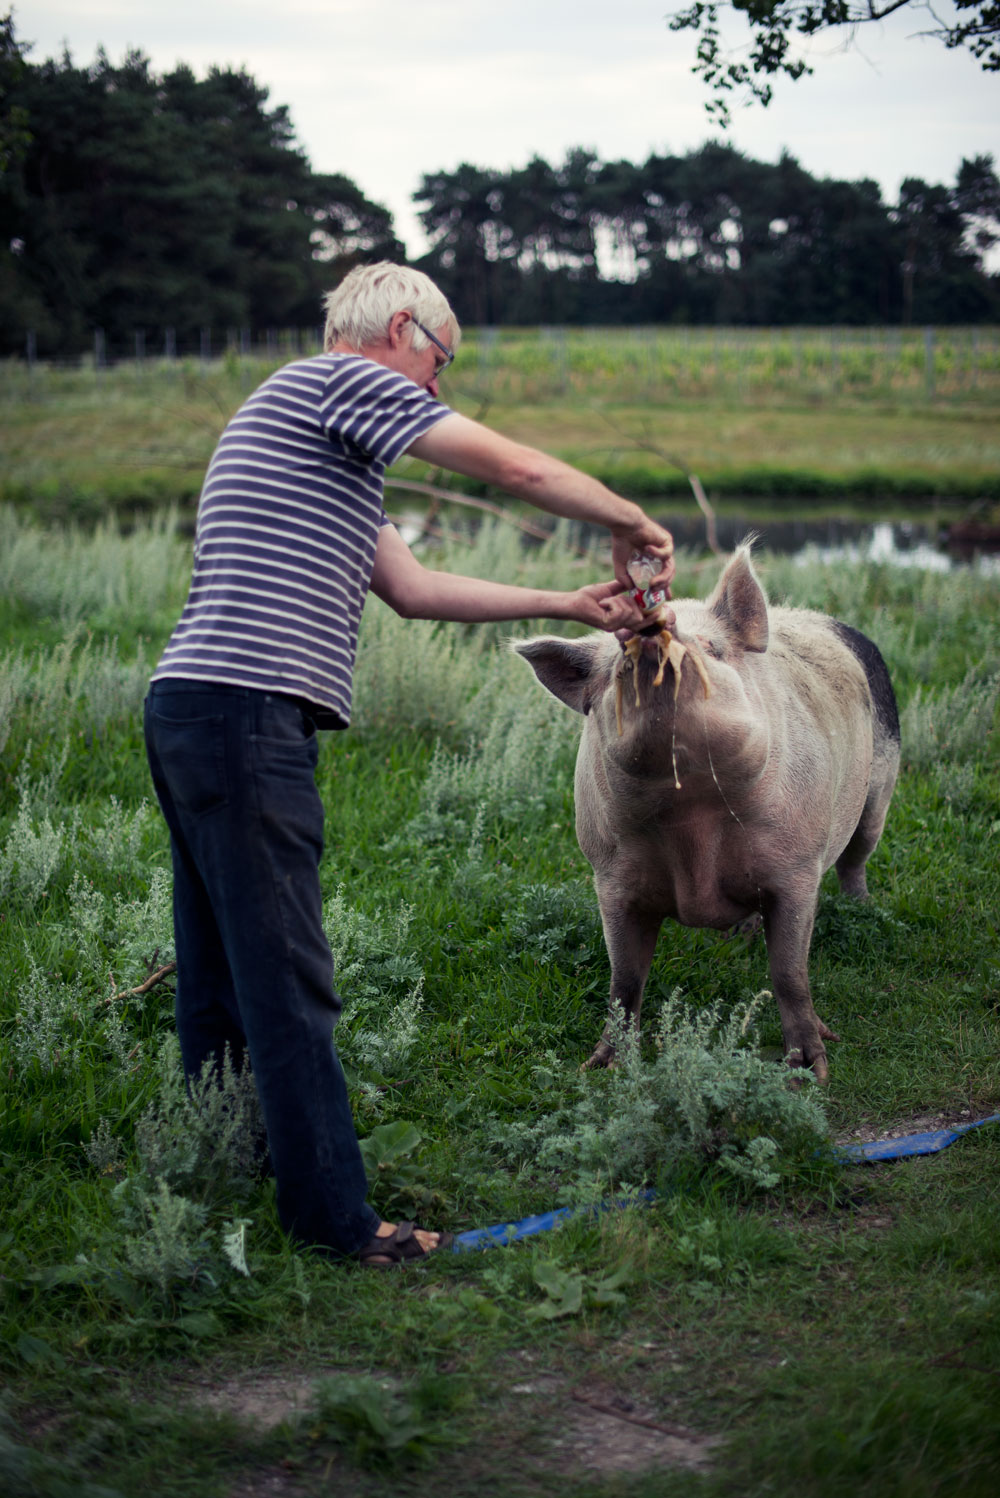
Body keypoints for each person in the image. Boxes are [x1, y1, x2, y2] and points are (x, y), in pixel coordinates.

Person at [143, 262, 675, 1266]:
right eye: (441, 362)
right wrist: (627, 521)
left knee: (218, 974)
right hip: (242, 714)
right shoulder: (338, 381)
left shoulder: (321, 433)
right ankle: (337, 1224)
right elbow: (513, 470)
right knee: (289, 977)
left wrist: (565, 606)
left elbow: (414, 587)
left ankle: (223, 1168)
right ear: (400, 330)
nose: (438, 387)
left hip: (196, 708)